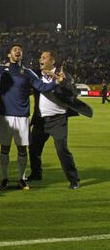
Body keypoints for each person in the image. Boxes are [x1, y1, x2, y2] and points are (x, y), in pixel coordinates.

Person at [0, 44, 62, 190]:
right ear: (9, 55)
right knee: (4, 148)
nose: (17, 51)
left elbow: (42, 86)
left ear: (21, 55)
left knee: (22, 149)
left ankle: (21, 179)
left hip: (22, 116)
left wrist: (56, 82)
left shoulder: (28, 72)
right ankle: (4, 178)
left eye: (20, 50)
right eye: (14, 49)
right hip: (5, 115)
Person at [28, 50, 92, 188]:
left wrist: (61, 82)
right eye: (40, 57)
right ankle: (36, 174)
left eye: (44, 57)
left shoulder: (64, 75)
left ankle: (74, 180)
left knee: (62, 149)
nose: (41, 59)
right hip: (41, 120)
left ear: (52, 61)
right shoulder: (37, 75)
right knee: (33, 148)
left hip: (58, 120)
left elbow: (73, 92)